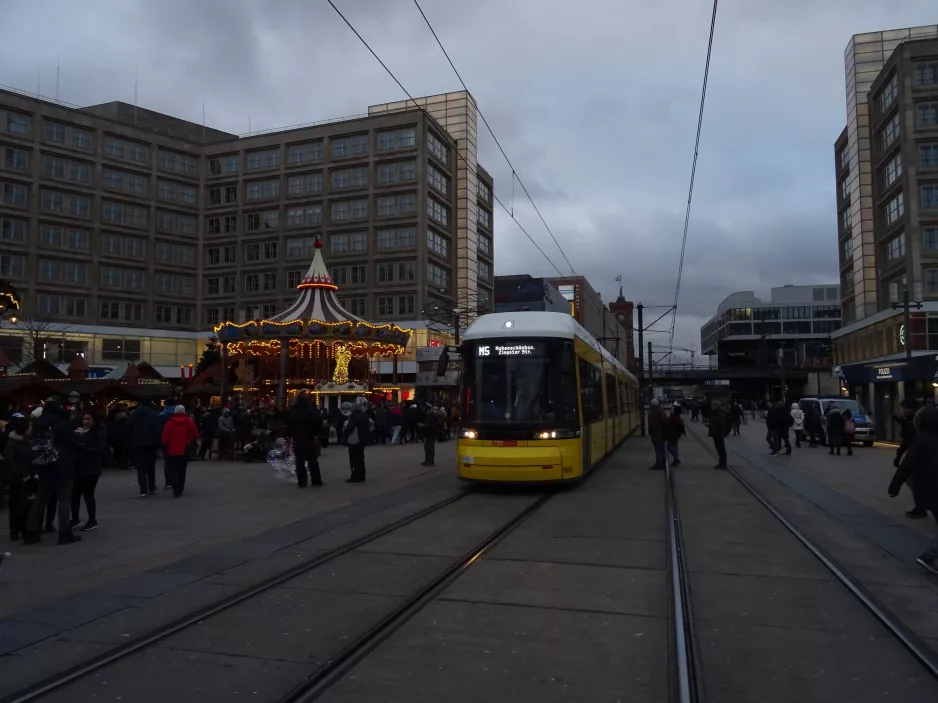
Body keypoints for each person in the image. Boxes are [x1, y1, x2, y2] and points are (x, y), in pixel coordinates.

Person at [888, 405, 938, 574]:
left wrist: (894, 487)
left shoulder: (920, 439)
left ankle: (930, 556)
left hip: (928, 490)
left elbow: (907, 466)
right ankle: (928, 556)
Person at [24, 399, 80, 545]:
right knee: (64, 499)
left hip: (43, 465)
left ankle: (30, 531)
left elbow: (29, 437)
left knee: (41, 499)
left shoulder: (37, 423)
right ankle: (64, 533)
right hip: (62, 465)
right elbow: (73, 440)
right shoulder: (61, 423)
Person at [70, 413, 106, 531]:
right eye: (84, 419)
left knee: (88, 495)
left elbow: (99, 449)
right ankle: (75, 519)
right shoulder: (77, 431)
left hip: (91, 468)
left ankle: (92, 520)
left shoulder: (98, 433)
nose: (86, 422)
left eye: (89, 419)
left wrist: (82, 445)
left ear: (94, 421)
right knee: (74, 494)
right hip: (78, 467)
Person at [3, 415, 33, 541]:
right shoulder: (13, 444)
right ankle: (16, 530)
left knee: (24, 505)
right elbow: (9, 462)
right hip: (17, 479)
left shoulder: (27, 442)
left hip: (26, 478)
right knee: (17, 505)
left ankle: (23, 528)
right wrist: (23, 473)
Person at [895, 400, 926, 519]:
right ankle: (921, 505)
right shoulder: (910, 421)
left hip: (918, 455)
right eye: (903, 409)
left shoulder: (917, 421)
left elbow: (909, 440)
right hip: (916, 454)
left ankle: (921, 506)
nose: (904, 411)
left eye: (906, 408)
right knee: (913, 480)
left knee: (914, 480)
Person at [286, 390, 324, 488]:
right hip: (309, 439)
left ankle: (302, 482)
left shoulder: (294, 412)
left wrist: (289, 436)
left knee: (300, 462)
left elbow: (290, 426)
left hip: (297, 440)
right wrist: (315, 433)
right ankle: (316, 480)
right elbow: (317, 424)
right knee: (313, 461)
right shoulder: (311, 411)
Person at [161, 406, 199, 497]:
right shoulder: (189, 422)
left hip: (172, 449)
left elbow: (164, 437)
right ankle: (180, 487)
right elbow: (195, 435)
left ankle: (174, 484)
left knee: (171, 469)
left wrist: (164, 445)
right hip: (185, 448)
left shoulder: (170, 423)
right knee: (182, 469)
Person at [130, 401, 163, 497]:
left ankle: (143, 489)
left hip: (137, 444)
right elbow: (157, 430)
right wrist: (158, 445)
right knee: (150, 467)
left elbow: (129, 430)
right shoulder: (153, 415)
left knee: (141, 468)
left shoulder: (133, 415)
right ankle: (152, 487)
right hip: (151, 444)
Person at [343, 398, 371, 482]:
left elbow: (349, 428)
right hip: (362, 440)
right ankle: (362, 475)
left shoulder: (354, 417)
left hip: (355, 440)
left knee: (354, 459)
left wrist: (345, 434)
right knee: (361, 458)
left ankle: (355, 476)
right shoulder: (365, 416)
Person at [647, 399, 668, 470]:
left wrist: (650, 432)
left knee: (657, 450)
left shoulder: (651, 414)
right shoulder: (662, 413)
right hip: (663, 435)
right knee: (662, 449)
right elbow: (666, 424)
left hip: (655, 435)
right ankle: (663, 463)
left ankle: (658, 463)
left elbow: (651, 426)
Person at [709, 400, 730, 469]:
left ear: (716, 406)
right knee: (718, 448)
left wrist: (712, 426)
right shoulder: (716, 412)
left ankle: (723, 463)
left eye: (713, 405)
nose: (711, 406)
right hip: (716, 433)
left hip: (719, 433)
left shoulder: (721, 412)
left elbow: (721, 423)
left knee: (721, 448)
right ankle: (721, 462)